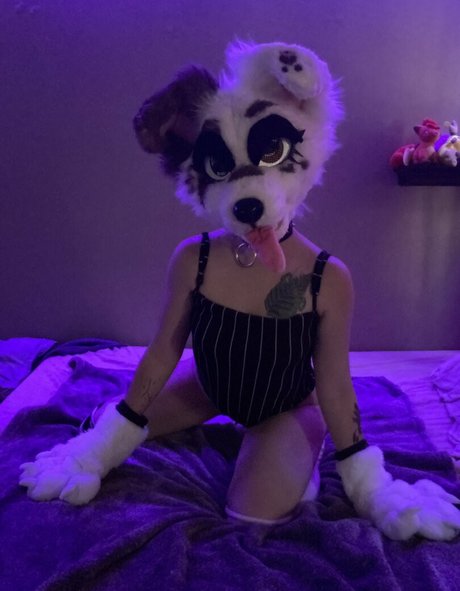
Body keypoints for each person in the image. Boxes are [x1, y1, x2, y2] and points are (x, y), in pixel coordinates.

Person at [20, 41, 460, 539]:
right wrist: (103, 444)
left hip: (286, 405)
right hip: (210, 387)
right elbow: (163, 351)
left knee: (251, 516)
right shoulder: (194, 259)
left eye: (269, 155)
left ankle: (301, 451)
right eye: (221, 167)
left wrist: (368, 481)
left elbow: (335, 384)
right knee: (96, 424)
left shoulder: (327, 277)